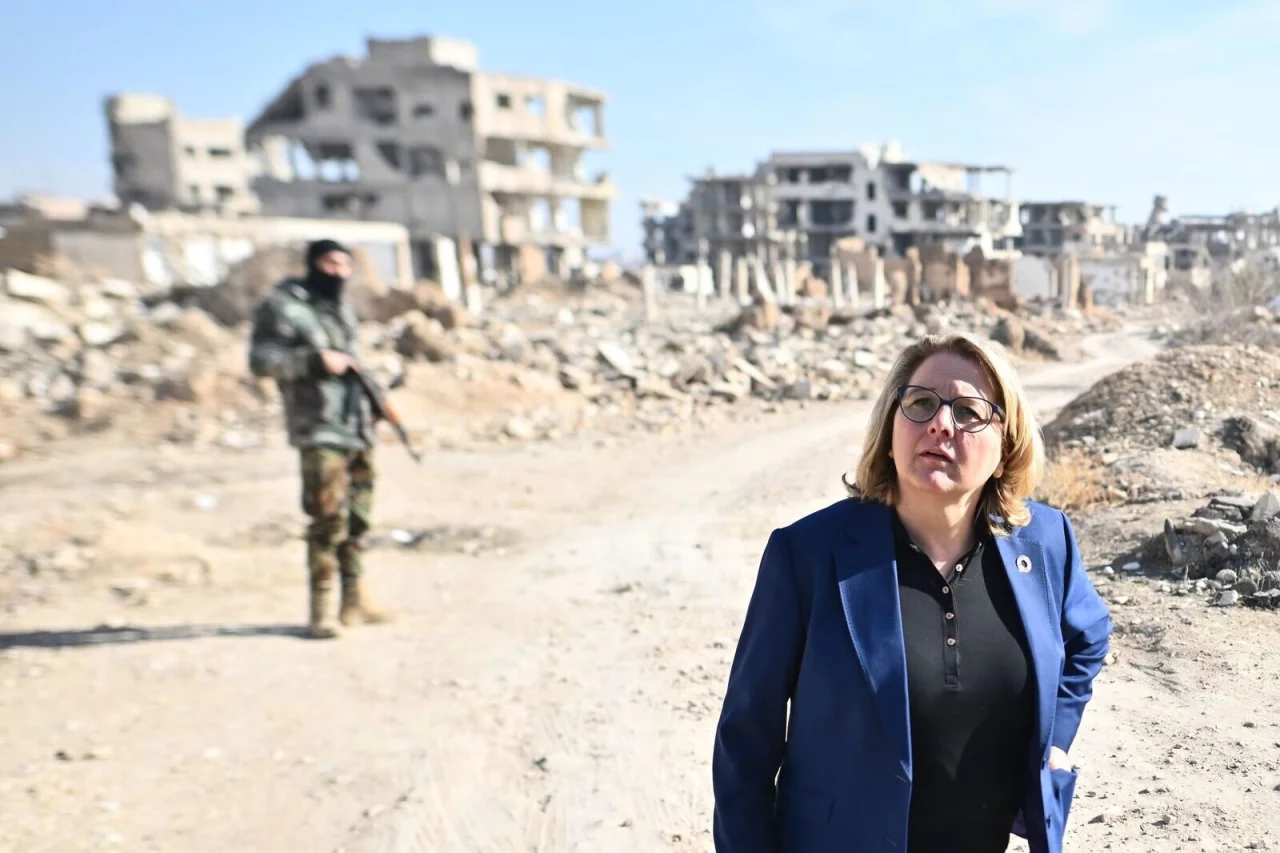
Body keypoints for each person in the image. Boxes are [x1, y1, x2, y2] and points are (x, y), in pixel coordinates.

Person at [711, 332, 1112, 853]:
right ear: (891, 428)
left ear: (1006, 447)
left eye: (969, 412)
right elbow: (746, 742)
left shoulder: (1043, 542)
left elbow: (1087, 637)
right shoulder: (807, 554)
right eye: (921, 404)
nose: (940, 424)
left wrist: (1053, 741)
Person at [248, 239, 393, 639]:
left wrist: (373, 405)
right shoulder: (283, 307)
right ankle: (322, 609)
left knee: (359, 517)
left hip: (354, 425)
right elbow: (261, 361)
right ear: (313, 264)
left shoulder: (340, 309)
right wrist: (313, 362)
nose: (338, 272)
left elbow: (353, 363)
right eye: (330, 263)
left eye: (344, 265)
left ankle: (355, 599)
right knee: (327, 517)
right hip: (318, 426)